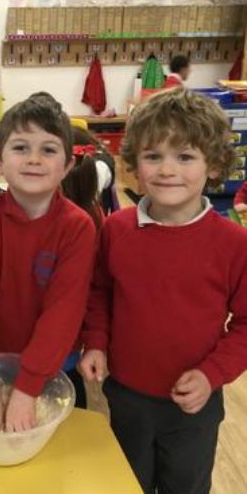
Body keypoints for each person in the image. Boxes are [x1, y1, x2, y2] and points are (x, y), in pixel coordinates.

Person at [80, 87, 247, 494]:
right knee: (128, 484)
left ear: (214, 164)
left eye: (185, 156)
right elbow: (100, 293)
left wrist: (211, 375)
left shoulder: (233, 243)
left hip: (195, 404)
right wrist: (96, 342)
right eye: (153, 156)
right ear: (135, 162)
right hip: (126, 396)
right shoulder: (115, 229)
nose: (167, 169)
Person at [0, 94, 97, 431]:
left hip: (57, 367)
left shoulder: (78, 227)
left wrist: (27, 388)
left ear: (67, 166)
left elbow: (63, 313)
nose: (34, 159)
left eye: (48, 149)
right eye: (20, 147)